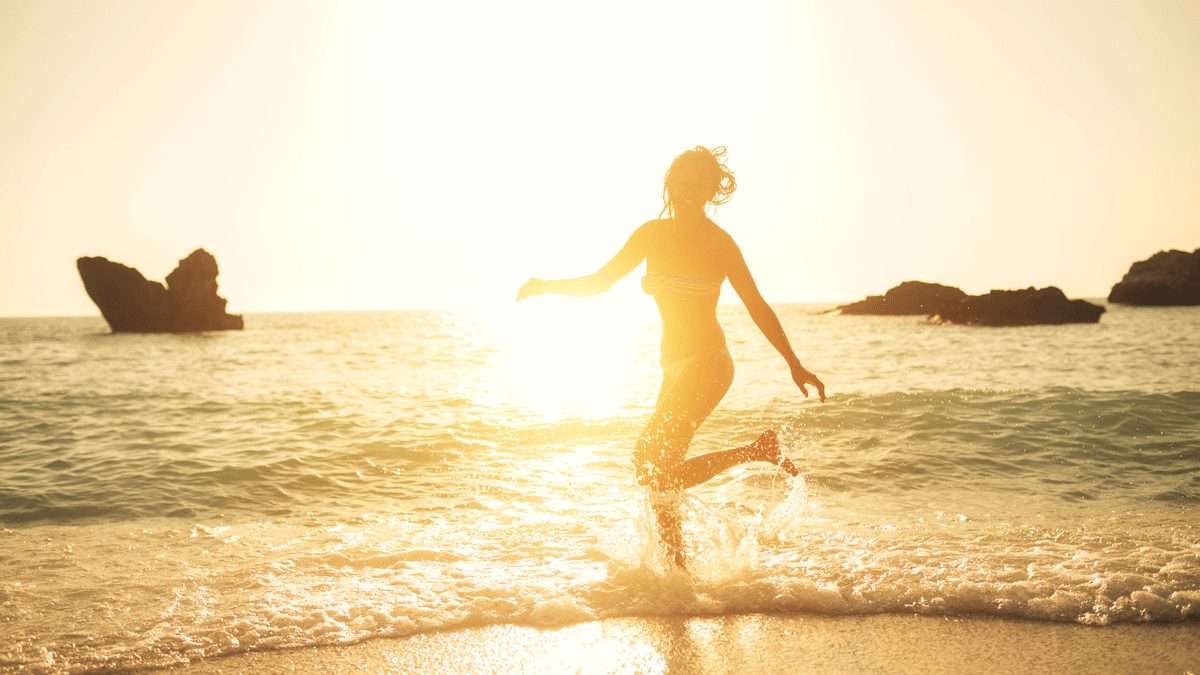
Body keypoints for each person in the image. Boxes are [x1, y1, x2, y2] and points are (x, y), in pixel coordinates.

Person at [517, 146, 825, 569]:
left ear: (713, 192)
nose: (691, 190)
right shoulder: (650, 234)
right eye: (685, 180)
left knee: (647, 461)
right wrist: (548, 285)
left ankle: (755, 451)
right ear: (671, 181)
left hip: (710, 362)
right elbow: (600, 282)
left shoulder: (721, 245)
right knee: (662, 476)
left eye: (703, 184)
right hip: (674, 369)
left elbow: (756, 304)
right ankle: (678, 578)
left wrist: (793, 362)